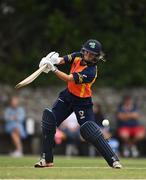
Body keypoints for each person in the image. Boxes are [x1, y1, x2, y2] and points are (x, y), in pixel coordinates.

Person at [34, 39, 122, 168]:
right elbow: (61, 60)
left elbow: (69, 78)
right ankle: (46, 159)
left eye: (92, 54)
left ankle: (114, 160)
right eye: (87, 52)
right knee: (49, 122)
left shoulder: (91, 71)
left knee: (90, 131)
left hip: (82, 102)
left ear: (96, 56)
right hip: (67, 96)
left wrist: (53, 69)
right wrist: (50, 60)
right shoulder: (77, 56)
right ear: (84, 50)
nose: (88, 55)